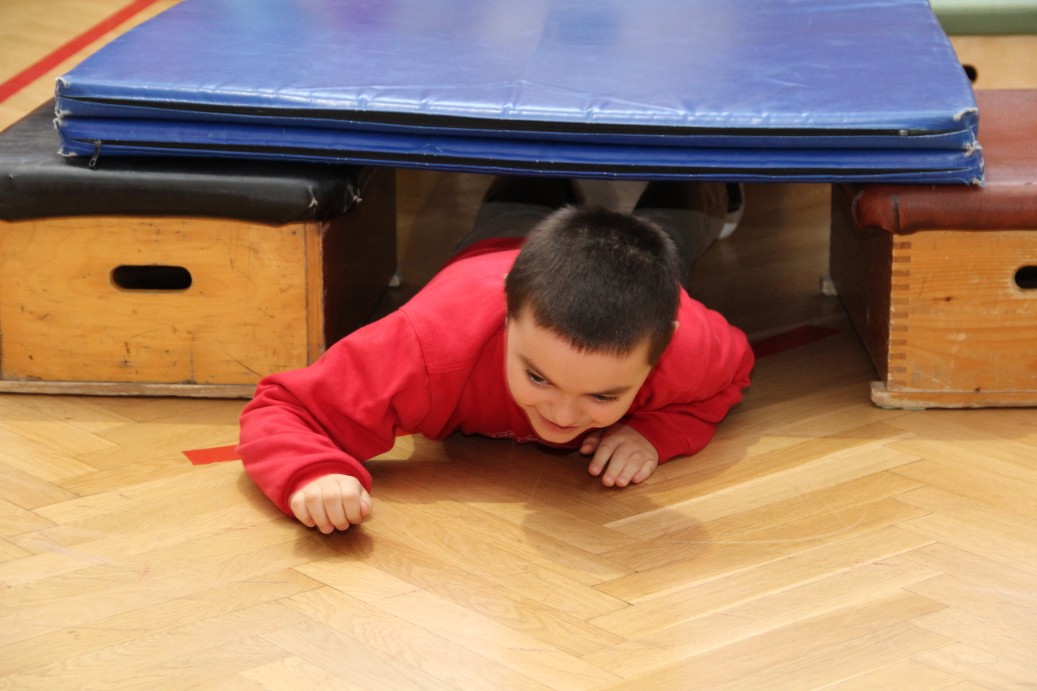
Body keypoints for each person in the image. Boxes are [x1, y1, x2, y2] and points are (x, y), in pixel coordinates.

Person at [237, 176, 754, 533]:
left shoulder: (685, 344)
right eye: (538, 377)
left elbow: (734, 374)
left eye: (602, 396)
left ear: (661, 350)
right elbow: (283, 407)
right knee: (525, 181)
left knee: (673, 224)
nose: (563, 415)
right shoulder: (429, 343)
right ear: (507, 318)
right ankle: (541, 160)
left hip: (631, 279)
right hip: (496, 247)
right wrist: (311, 472)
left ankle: (711, 184)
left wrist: (656, 433)